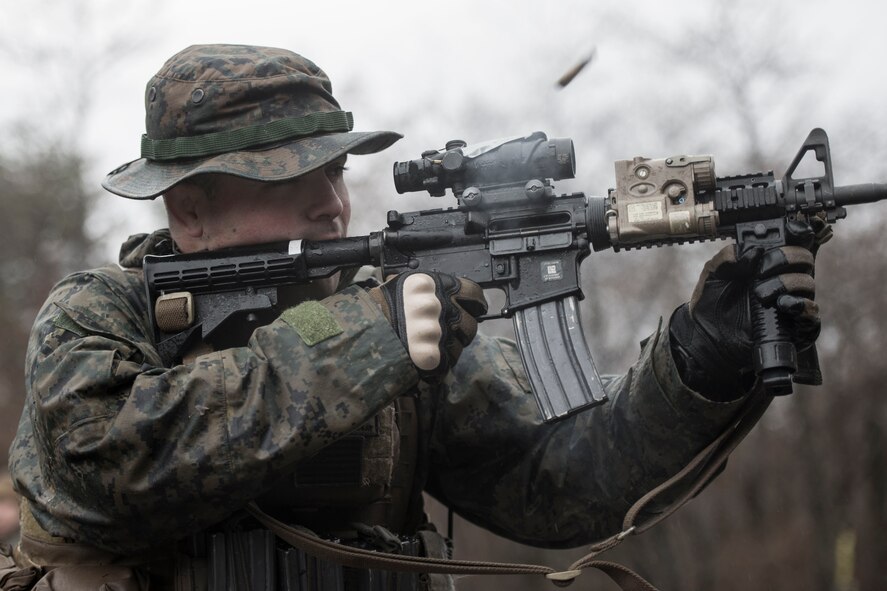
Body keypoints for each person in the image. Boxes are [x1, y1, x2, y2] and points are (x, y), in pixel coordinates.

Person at [5, 44, 821, 590]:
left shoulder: (395, 319)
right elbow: (108, 462)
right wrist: (366, 339)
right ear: (189, 212)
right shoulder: (101, 315)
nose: (330, 203)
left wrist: (702, 357)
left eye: (335, 172)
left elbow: (556, 484)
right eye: (289, 179)